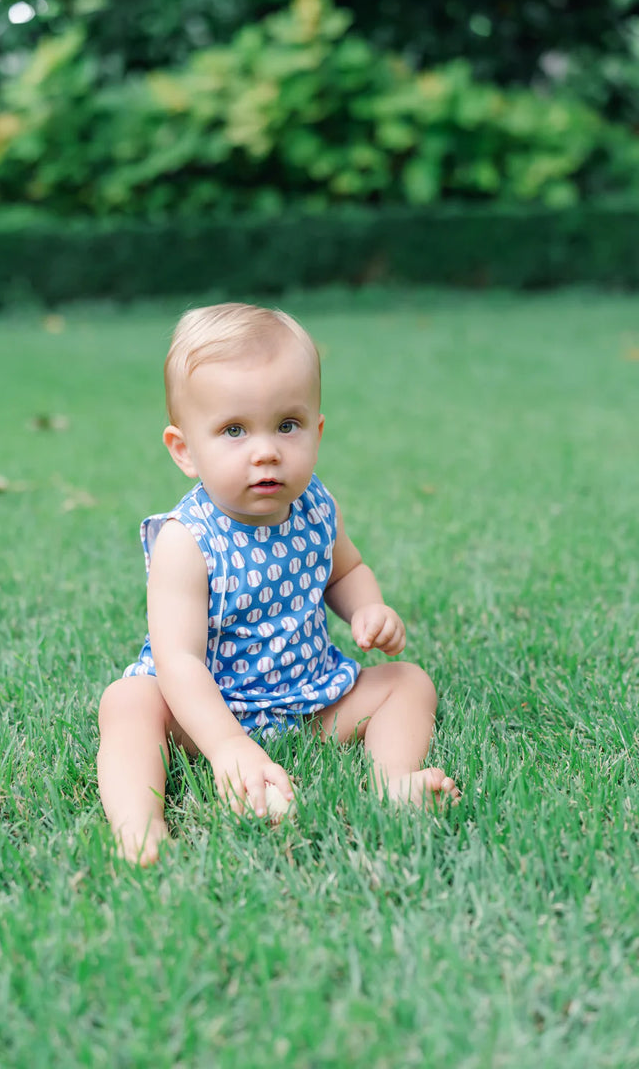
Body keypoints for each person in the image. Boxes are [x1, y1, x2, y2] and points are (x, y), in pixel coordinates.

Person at [97, 303, 459, 864]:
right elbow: (180, 662)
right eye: (234, 430)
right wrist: (226, 745)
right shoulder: (186, 541)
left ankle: (397, 782)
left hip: (309, 698)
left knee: (406, 681)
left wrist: (368, 608)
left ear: (316, 431)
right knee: (128, 703)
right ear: (185, 450)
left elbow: (346, 571)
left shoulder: (314, 506)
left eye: (287, 425)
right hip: (206, 710)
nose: (266, 450)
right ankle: (138, 829)